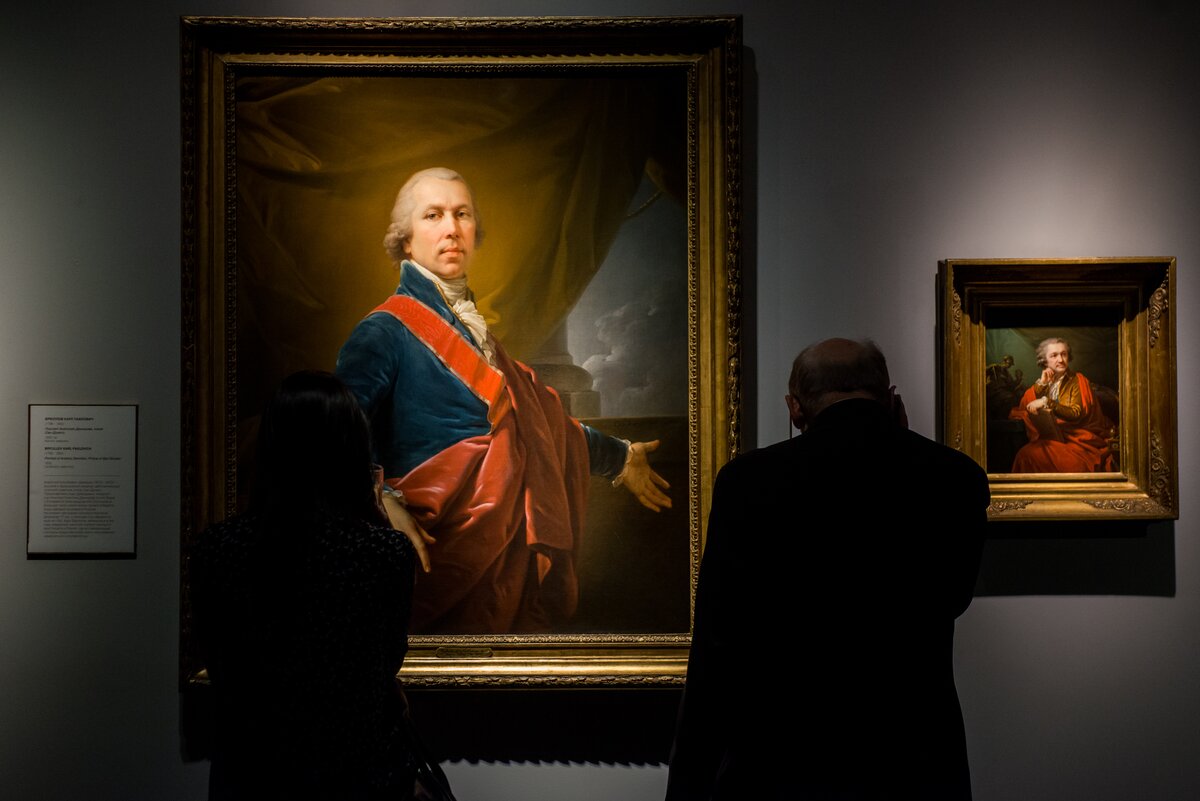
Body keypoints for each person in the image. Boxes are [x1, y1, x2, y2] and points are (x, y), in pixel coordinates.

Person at [335, 166, 671, 635]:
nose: (452, 228)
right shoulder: (382, 332)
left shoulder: (480, 337)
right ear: (405, 240)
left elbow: (535, 426)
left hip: (501, 559)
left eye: (462, 214)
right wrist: (381, 499)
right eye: (433, 215)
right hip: (429, 552)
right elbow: (333, 435)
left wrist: (619, 456)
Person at [665, 338, 989, 801]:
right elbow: (950, 598)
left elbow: (718, 643)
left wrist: (688, 786)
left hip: (782, 756)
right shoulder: (956, 477)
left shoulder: (749, 481)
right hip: (912, 755)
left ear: (795, 409)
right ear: (891, 397)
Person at [188, 370, 427, 800]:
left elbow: (218, 660)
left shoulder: (216, 549)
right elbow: (385, 661)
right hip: (358, 777)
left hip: (253, 776)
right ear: (352, 451)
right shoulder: (384, 553)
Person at [1009, 336, 1117, 473]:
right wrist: (1042, 384)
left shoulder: (1077, 380)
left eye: (1063, 354)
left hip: (1079, 442)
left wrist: (1046, 402)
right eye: (1054, 355)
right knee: (1025, 454)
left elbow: (1076, 413)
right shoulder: (1044, 382)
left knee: (1038, 457)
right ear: (1044, 360)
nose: (1060, 359)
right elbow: (1026, 404)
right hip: (1054, 439)